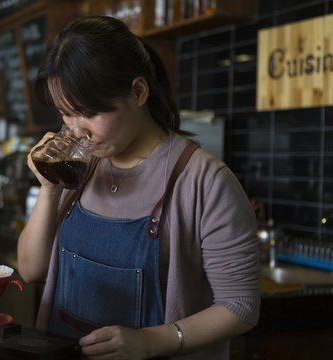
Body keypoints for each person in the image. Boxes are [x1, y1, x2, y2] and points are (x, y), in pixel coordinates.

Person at [17, 16, 260, 360]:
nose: (75, 130)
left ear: (138, 92)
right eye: (64, 113)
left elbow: (241, 306)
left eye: (86, 112)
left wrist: (150, 341)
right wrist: (49, 189)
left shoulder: (205, 180)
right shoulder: (80, 167)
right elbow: (30, 270)